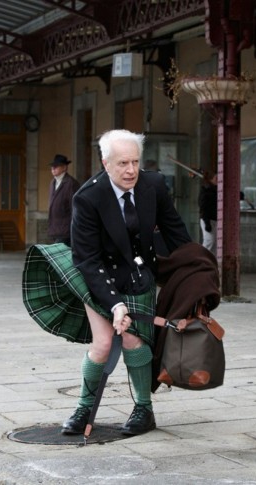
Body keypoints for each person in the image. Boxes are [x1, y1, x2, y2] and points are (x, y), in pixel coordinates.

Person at [63, 129, 192, 436]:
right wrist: (116, 305)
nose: (131, 170)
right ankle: (84, 407)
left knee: (134, 339)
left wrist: (195, 275)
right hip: (99, 275)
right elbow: (87, 261)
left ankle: (144, 410)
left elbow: (176, 233)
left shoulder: (154, 185)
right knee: (105, 344)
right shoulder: (87, 198)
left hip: (138, 273)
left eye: (135, 161)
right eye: (123, 163)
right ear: (105, 163)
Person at [47, 154, 80, 246]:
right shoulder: (52, 182)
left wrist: (73, 228)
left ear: (64, 167)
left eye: (56, 166)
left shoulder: (71, 183)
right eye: (52, 167)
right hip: (54, 229)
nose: (53, 169)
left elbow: (74, 208)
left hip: (65, 230)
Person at [198, 170, 217, 254]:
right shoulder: (206, 191)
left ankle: (211, 263)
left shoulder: (217, 190)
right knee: (209, 241)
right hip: (207, 219)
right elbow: (203, 208)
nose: (218, 180)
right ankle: (200, 260)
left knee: (215, 243)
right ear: (210, 179)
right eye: (216, 178)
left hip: (215, 219)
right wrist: (207, 223)